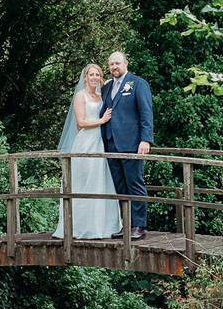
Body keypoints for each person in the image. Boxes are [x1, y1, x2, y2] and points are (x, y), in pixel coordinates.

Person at [52, 64, 122, 239]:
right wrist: (102, 120)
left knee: (100, 181)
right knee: (84, 182)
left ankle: (101, 226)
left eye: (97, 74)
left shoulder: (101, 95)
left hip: (100, 142)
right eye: (91, 74)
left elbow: (113, 84)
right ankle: (79, 227)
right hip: (86, 142)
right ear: (85, 77)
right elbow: (81, 123)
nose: (95, 77)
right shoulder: (80, 96)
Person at [100, 51, 154, 240]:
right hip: (110, 143)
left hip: (131, 143)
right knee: (120, 186)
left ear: (126, 63)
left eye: (117, 63)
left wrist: (145, 139)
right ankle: (127, 224)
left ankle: (139, 226)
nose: (114, 67)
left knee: (134, 183)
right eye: (111, 64)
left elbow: (146, 113)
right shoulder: (107, 87)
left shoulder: (138, 83)